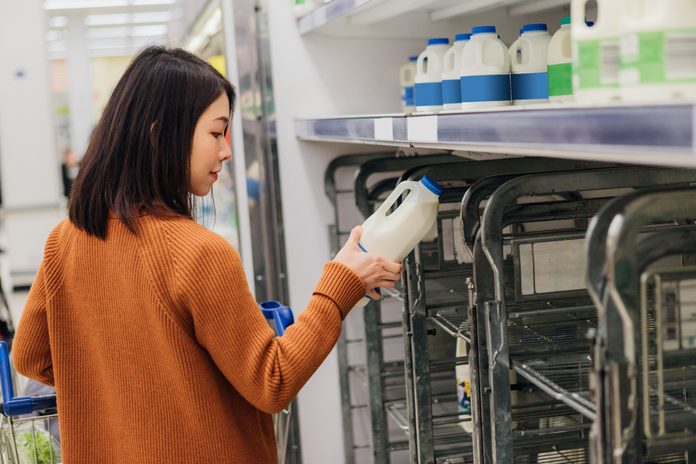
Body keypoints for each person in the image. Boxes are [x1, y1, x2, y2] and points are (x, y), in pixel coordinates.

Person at [12, 46, 401, 463]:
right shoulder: (199, 254)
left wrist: (124, 398)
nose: (227, 150)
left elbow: (30, 356)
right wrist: (338, 287)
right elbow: (273, 381)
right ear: (160, 133)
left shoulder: (65, 239)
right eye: (216, 133)